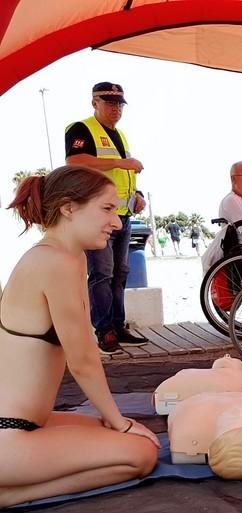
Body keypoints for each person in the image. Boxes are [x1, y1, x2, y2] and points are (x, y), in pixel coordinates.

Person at [0, 166, 159, 508]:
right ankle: (11, 495)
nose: (116, 222)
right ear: (69, 208)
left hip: (25, 425)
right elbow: (83, 359)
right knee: (140, 453)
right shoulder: (56, 262)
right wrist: (118, 421)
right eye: (106, 209)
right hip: (8, 433)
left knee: (117, 432)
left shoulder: (61, 256)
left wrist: (114, 422)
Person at [65, 82, 148, 353]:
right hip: (95, 215)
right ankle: (104, 330)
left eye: (119, 104)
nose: (116, 109)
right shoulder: (82, 128)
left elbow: (122, 175)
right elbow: (74, 161)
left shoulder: (120, 135)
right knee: (101, 272)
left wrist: (137, 195)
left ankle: (117, 324)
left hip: (122, 214)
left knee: (120, 272)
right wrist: (121, 163)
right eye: (109, 102)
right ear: (94, 103)